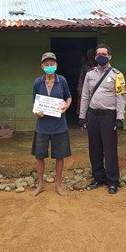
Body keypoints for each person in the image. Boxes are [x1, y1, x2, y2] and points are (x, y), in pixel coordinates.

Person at [79, 44, 126, 194]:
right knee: (94, 148)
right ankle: (98, 178)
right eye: (98, 54)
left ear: (109, 56)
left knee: (110, 149)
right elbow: (85, 96)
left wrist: (120, 118)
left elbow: (121, 97)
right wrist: (82, 116)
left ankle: (113, 181)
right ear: (95, 57)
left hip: (109, 116)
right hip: (93, 115)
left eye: (104, 54)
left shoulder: (117, 75)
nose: (100, 56)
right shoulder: (90, 74)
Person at [32, 52, 72, 196]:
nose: (49, 67)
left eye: (52, 64)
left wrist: (66, 106)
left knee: (60, 156)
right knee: (39, 156)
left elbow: (68, 97)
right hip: (42, 125)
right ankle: (40, 184)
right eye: (46, 64)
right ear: (42, 66)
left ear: (56, 65)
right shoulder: (38, 82)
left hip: (59, 125)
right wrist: (37, 112)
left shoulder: (62, 81)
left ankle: (58, 185)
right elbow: (35, 103)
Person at [76, 48, 96, 114]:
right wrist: (80, 89)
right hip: (85, 87)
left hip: (96, 88)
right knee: (84, 103)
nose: (90, 56)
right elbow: (81, 78)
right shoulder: (85, 66)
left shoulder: (98, 65)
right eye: (89, 54)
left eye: (92, 54)